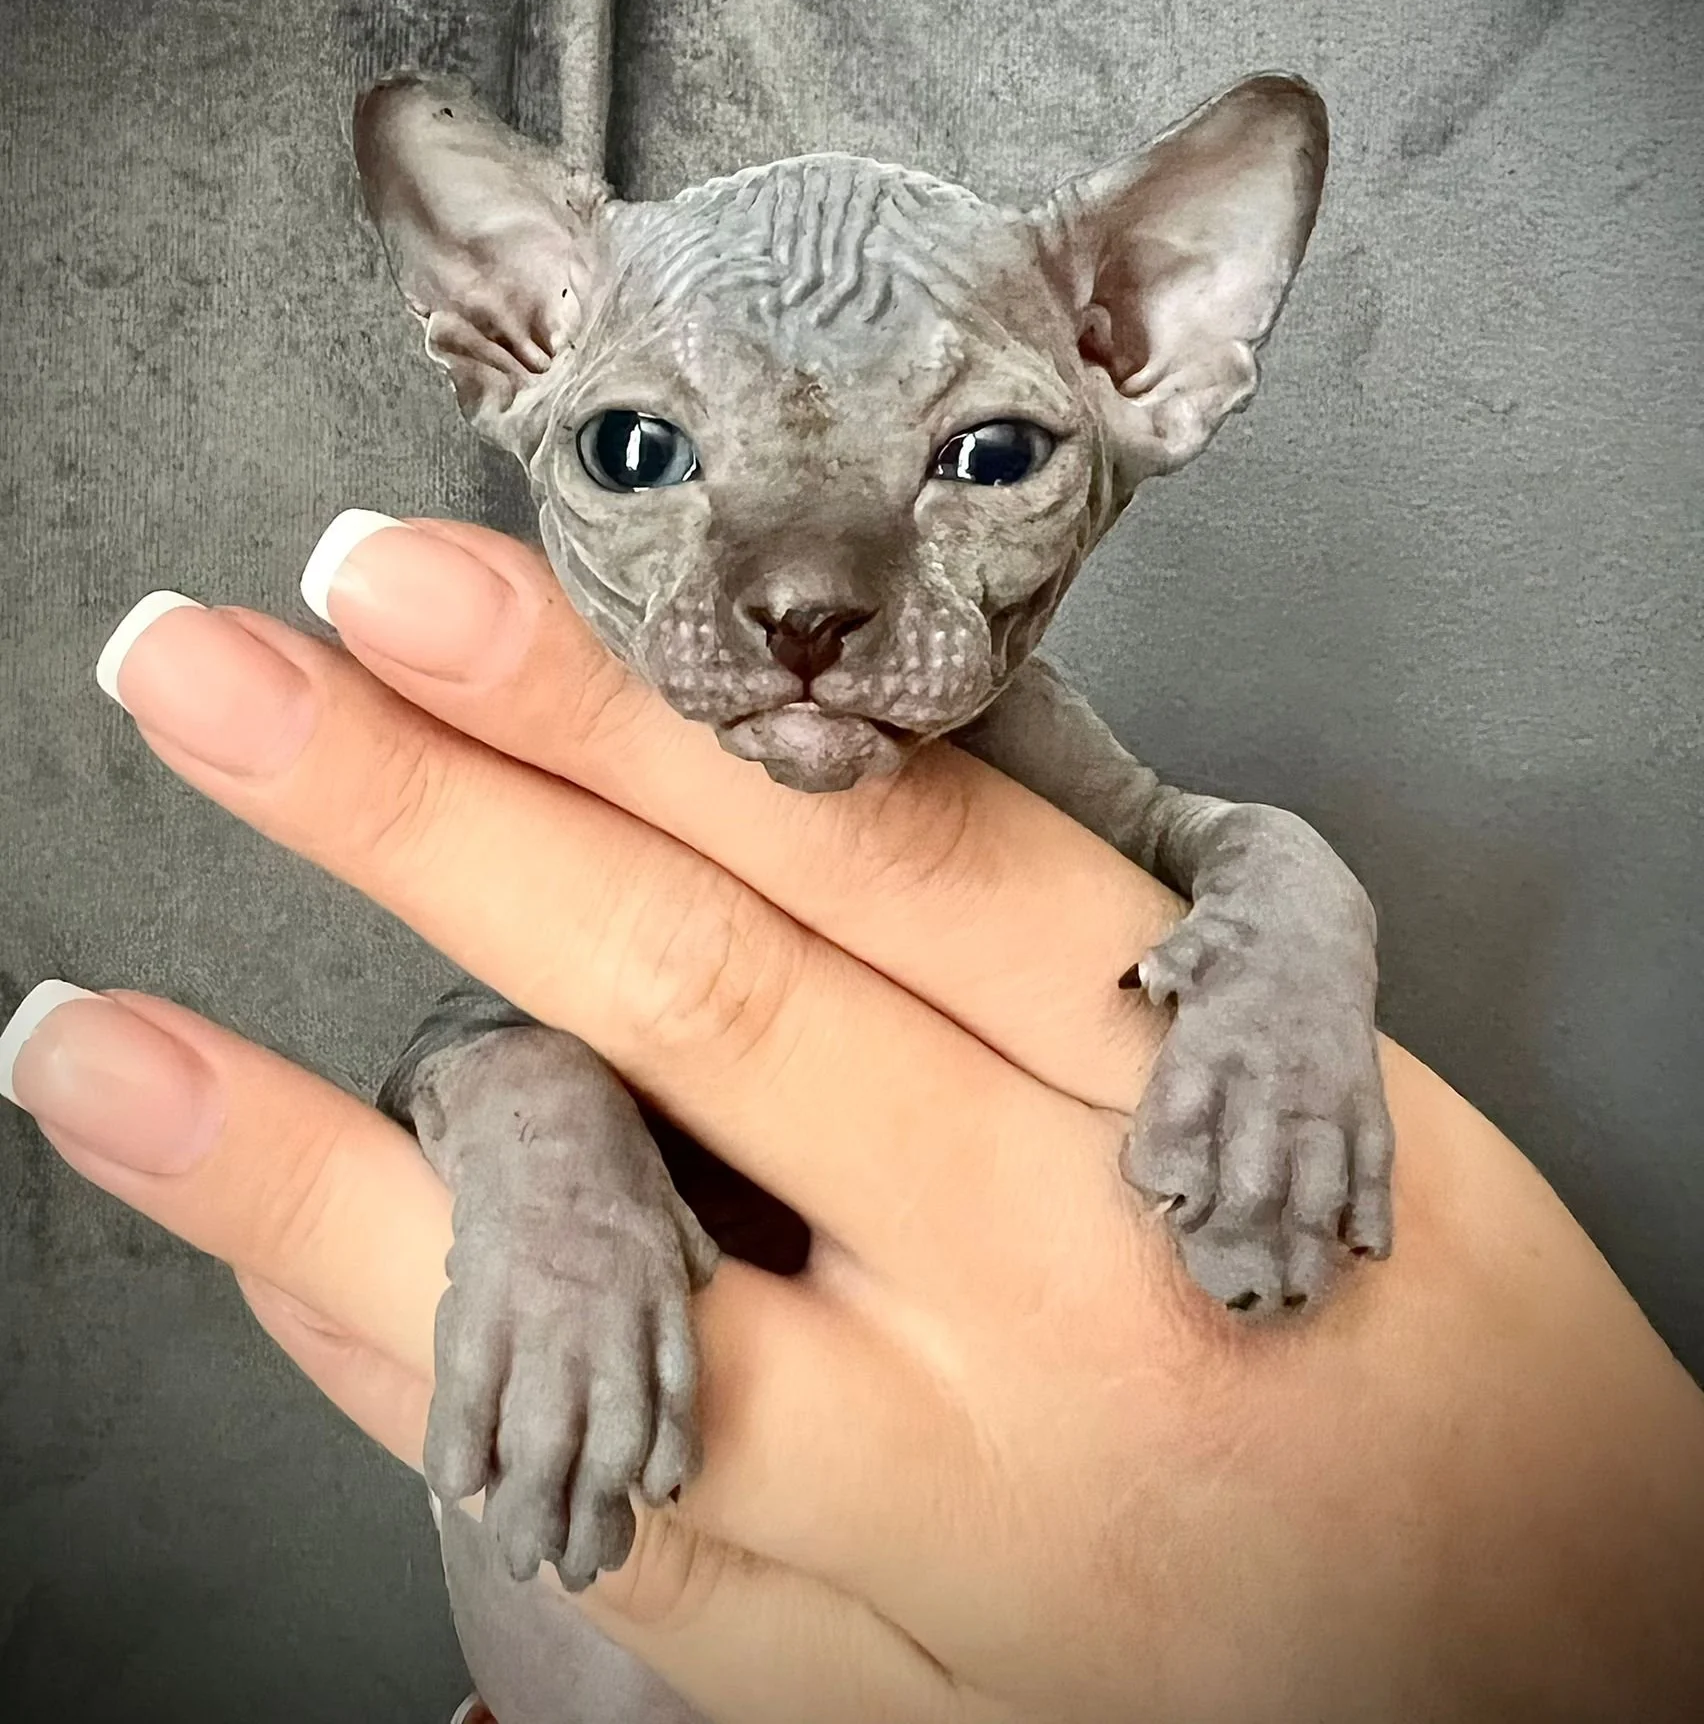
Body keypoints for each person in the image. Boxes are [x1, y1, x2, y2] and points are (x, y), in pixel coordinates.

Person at [4, 514, 1702, 1724]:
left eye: (978, 456)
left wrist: (1294, 959)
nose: (807, 583)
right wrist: (549, 1170)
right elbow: (483, 1048)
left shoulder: (1029, 734)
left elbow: (1215, 841)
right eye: (648, 452)